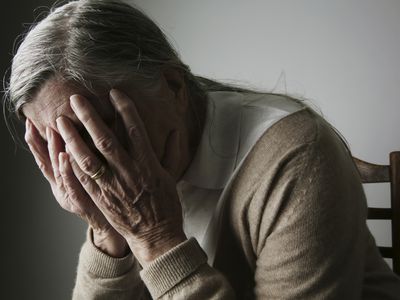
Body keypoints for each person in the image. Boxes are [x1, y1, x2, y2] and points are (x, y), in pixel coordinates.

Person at [5, 0, 400, 299]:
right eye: (64, 142)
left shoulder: (296, 156)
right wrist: (106, 230)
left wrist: (155, 237)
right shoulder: (129, 173)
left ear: (174, 86)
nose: (90, 164)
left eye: (99, 125)